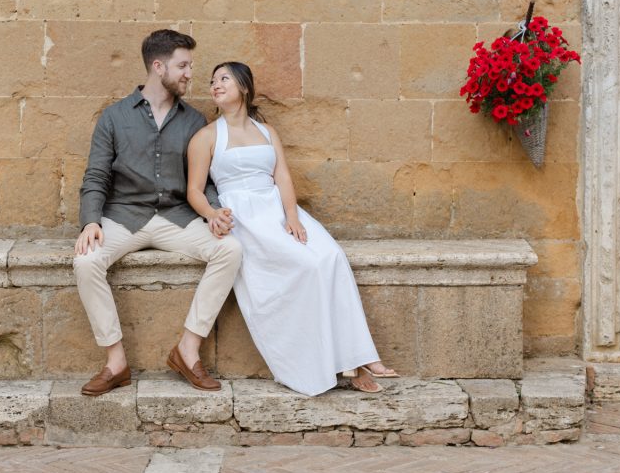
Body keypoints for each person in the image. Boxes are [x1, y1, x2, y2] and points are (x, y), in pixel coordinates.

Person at [186, 61, 397, 396]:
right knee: (309, 266)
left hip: (277, 210)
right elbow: (194, 190)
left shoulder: (267, 132)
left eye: (224, 79)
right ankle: (340, 364)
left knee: (332, 257)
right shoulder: (205, 137)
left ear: (243, 86)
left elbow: (282, 175)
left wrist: (292, 216)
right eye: (212, 81)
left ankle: (361, 356)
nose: (215, 85)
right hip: (244, 217)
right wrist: (212, 214)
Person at [73, 30, 243, 396]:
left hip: (177, 218)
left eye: (190, 67)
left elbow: (205, 178)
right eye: (183, 66)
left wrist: (213, 213)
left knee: (230, 250)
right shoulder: (114, 117)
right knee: (86, 262)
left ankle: (187, 350)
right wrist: (90, 221)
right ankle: (115, 362)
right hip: (124, 217)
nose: (188, 74)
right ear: (158, 66)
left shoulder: (194, 121)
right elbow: (96, 175)